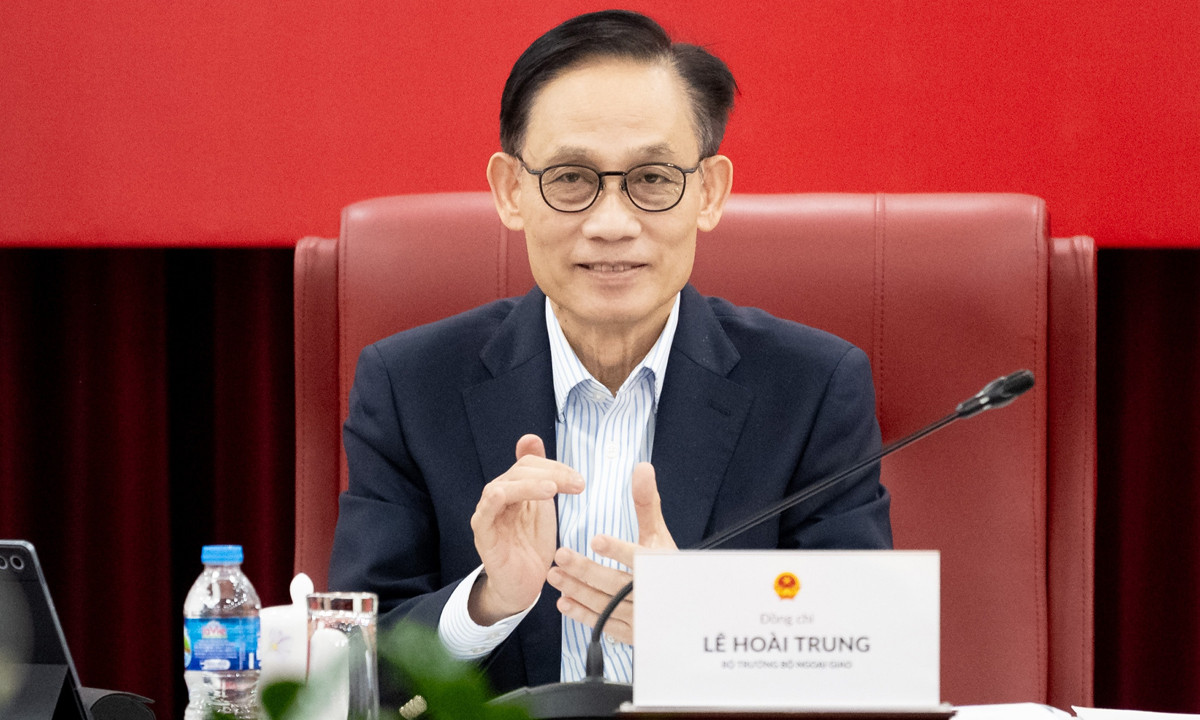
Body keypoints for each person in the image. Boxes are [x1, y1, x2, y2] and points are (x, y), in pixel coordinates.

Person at [327, 9, 891, 697]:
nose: (612, 224)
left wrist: (703, 625)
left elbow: (868, 656)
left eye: (653, 179)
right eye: (570, 178)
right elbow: (348, 668)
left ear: (709, 192)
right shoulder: (410, 386)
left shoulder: (812, 388)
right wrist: (487, 602)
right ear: (510, 191)